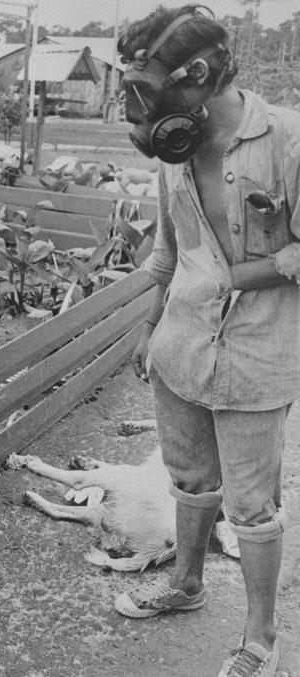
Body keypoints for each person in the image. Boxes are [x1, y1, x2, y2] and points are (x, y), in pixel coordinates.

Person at [117, 6, 300, 675]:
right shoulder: (177, 155)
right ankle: (186, 585)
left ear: (198, 76)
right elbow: (167, 253)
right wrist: (146, 326)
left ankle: (262, 639)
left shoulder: (288, 139)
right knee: (190, 477)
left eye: (151, 97)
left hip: (258, 354)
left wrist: (254, 270)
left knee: (253, 503)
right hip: (182, 345)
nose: (144, 117)